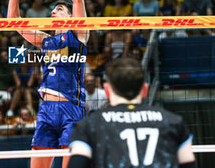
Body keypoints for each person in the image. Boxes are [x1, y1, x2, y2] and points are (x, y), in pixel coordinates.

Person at [7, 0, 89, 168]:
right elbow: (13, 23)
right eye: (52, 10)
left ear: (71, 17)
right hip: (46, 110)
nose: (53, 11)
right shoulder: (45, 41)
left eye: (60, 9)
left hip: (71, 108)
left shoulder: (78, 34)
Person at [68, 58, 196, 168]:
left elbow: (77, 164)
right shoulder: (173, 121)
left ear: (107, 90)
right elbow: (189, 164)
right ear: (145, 89)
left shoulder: (89, 125)